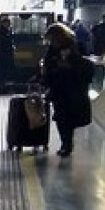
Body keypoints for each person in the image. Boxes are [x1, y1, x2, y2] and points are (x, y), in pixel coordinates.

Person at [40, 23, 93, 157]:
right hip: (58, 89)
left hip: (72, 89)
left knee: (66, 119)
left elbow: (83, 64)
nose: (51, 42)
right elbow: (48, 66)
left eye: (52, 38)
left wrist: (68, 66)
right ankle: (66, 143)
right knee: (60, 118)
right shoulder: (52, 50)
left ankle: (66, 145)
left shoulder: (75, 47)